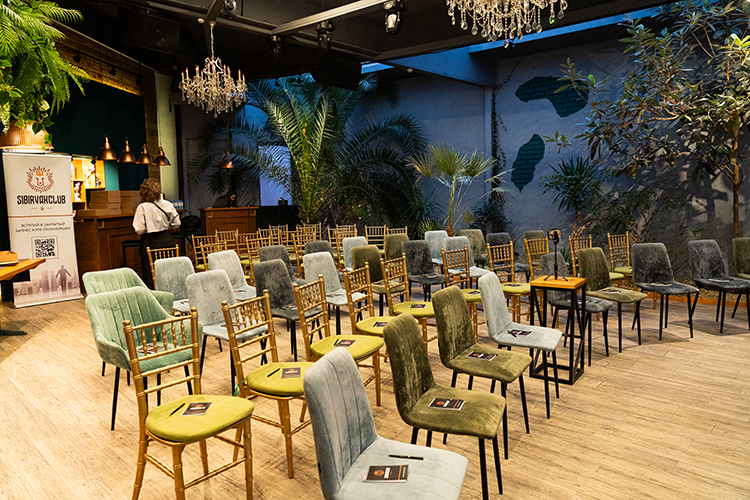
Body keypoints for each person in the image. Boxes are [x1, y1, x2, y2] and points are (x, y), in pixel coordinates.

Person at [133, 178, 180, 289]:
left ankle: (154, 292)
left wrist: (150, 227)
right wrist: (167, 226)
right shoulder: (167, 204)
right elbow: (177, 223)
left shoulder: (142, 207)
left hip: (150, 242)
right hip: (167, 240)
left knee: (151, 272)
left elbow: (139, 229)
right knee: (169, 269)